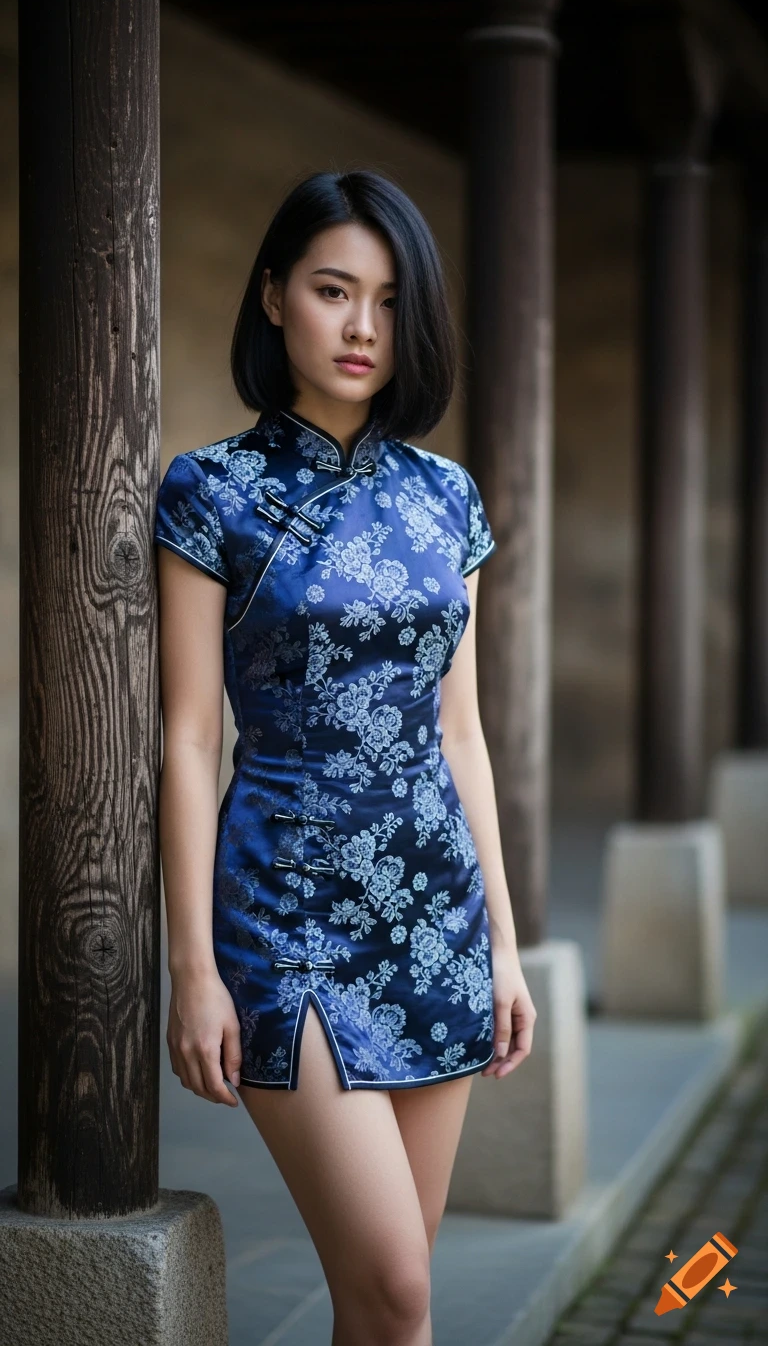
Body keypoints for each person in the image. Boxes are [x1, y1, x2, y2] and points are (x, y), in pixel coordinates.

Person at [154, 168, 537, 1346]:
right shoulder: (210, 492)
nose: (362, 325)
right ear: (274, 297)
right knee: (403, 1289)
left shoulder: (447, 500)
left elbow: (461, 733)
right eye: (332, 290)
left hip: (432, 909)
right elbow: (185, 735)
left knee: (383, 1300)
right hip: (286, 913)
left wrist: (507, 950)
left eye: (385, 299)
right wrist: (193, 969)